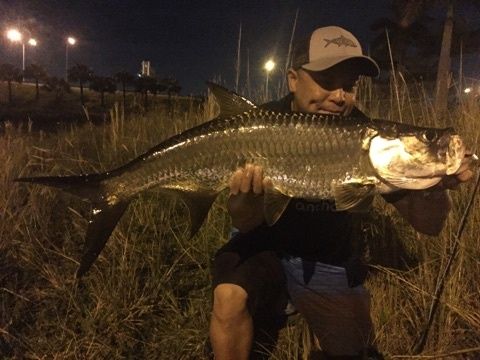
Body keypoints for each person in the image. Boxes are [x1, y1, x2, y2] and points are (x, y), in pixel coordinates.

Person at [209, 26, 474, 359]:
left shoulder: (371, 137)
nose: (339, 96)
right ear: (293, 79)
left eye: (349, 85)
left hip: (324, 256)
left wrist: (434, 186)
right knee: (228, 299)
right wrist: (246, 202)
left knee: (353, 348)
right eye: (327, 80)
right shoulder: (259, 124)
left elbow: (431, 225)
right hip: (263, 242)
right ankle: (279, 296)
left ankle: (291, 302)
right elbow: (246, 224)